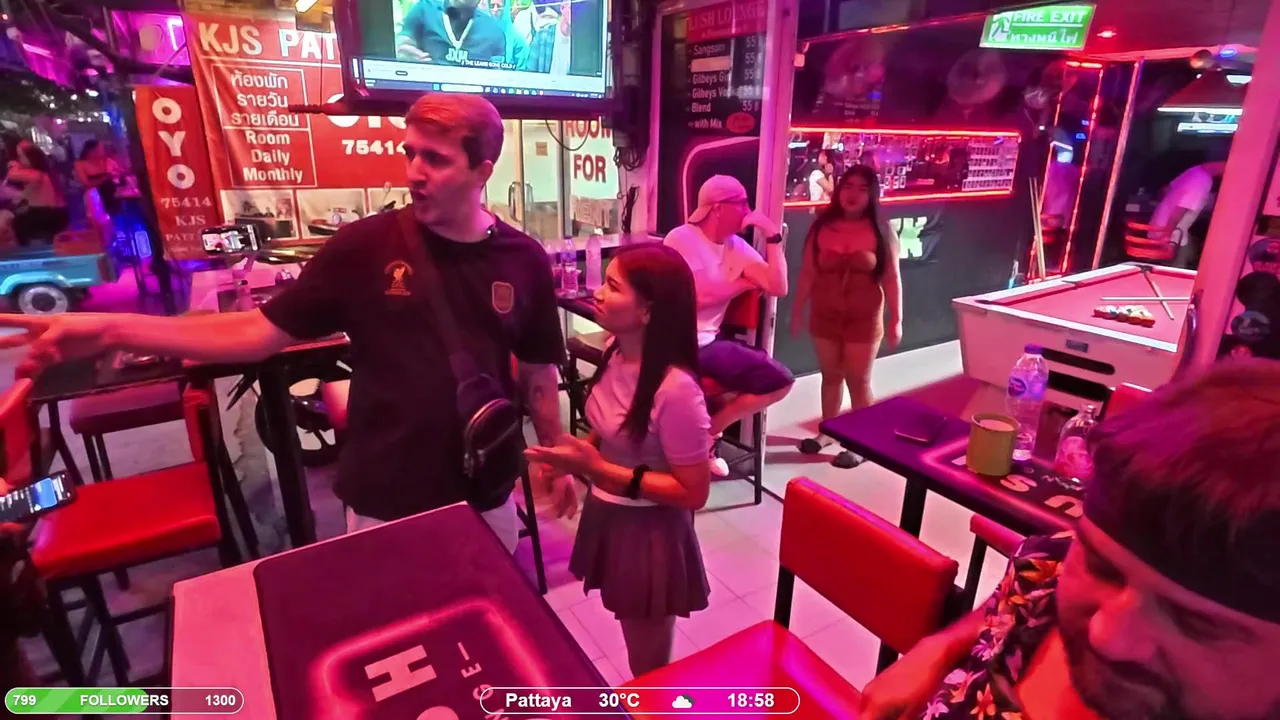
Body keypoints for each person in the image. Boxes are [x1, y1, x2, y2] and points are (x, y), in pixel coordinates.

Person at [0, 93, 578, 551]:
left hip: (485, 491)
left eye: (436, 159)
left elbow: (536, 376)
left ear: (482, 170)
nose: (414, 173)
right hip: (387, 495)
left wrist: (556, 452)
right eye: (410, 154)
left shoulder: (522, 259)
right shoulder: (364, 246)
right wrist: (113, 329)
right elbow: (256, 332)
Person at [858, 359, 1280, 720]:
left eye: (1196, 623)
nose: (1107, 636)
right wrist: (940, 647)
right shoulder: (1047, 561)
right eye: (1103, 570)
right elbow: (1019, 596)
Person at [526, 244, 711, 677]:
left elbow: (693, 492)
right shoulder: (615, 352)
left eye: (613, 286)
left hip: (651, 534)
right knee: (634, 644)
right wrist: (577, 455)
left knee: (648, 668)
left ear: (647, 311)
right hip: (612, 514)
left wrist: (597, 470)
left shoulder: (676, 390)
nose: (598, 293)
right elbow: (609, 427)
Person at [663, 174, 793, 477]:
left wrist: (772, 236)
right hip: (674, 342)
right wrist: (743, 283)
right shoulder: (681, 238)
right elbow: (697, 297)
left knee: (781, 380)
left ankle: (708, 433)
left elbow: (778, 286)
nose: (748, 211)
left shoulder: (737, 246)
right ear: (718, 208)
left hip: (707, 343)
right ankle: (690, 444)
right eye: (742, 203)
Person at [792, 166, 901, 468]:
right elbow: (807, 273)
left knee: (858, 380)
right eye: (848, 186)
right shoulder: (821, 227)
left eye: (862, 189)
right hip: (824, 314)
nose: (853, 194)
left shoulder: (881, 230)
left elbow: (892, 278)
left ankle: (862, 443)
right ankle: (829, 430)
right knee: (830, 375)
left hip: (863, 317)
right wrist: (797, 310)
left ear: (872, 194)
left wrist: (897, 319)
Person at [1149, 160, 1226, 269]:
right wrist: (1166, 234)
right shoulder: (1201, 182)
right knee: (1176, 267)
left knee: (1191, 249)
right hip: (1171, 234)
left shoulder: (1194, 171)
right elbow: (1180, 210)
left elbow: (1166, 190)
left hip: (1159, 226)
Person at [397, 0, 508, 66]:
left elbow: (498, 75)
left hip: (474, 96)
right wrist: (402, 57)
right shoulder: (424, 9)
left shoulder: (494, 30)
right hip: (428, 93)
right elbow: (403, 46)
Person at [5, 142, 69, 246]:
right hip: (56, 214)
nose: (19, 160)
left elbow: (12, 175)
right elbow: (27, 195)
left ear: (30, 158)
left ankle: (24, 250)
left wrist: (15, 166)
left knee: (17, 222)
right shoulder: (45, 174)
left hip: (47, 215)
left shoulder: (37, 174)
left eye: (20, 157)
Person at [74, 139, 122, 216]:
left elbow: (114, 172)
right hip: (94, 196)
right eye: (100, 149)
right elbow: (86, 184)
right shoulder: (80, 164)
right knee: (99, 219)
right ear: (91, 150)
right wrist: (105, 177)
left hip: (110, 194)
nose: (102, 151)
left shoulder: (102, 161)